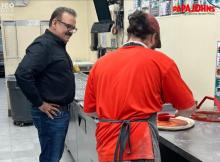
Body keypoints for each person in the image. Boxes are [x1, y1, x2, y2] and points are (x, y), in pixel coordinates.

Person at [84, 10, 196, 162]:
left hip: (107, 145)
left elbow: (91, 111)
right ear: (153, 37)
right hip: (141, 147)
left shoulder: (100, 64)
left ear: (129, 35)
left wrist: (116, 115)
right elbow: (187, 107)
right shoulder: (162, 62)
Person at [15, 7, 77, 162]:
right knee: (51, 157)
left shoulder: (56, 44)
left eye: (73, 28)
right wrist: (40, 103)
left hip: (57, 114)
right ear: (55, 23)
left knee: (53, 155)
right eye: (68, 26)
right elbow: (22, 73)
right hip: (51, 115)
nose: (70, 31)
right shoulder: (44, 45)